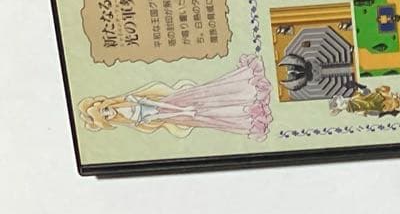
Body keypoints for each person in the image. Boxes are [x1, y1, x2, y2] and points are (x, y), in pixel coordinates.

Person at [77, 54, 272, 140]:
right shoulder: (133, 121)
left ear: (107, 103)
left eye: (104, 109)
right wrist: (181, 114)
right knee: (211, 116)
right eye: (106, 116)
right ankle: (249, 113)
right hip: (175, 115)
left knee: (209, 96)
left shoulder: (129, 101)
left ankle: (248, 90)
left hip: (175, 104)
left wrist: (182, 109)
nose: (108, 113)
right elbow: (159, 117)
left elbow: (155, 105)